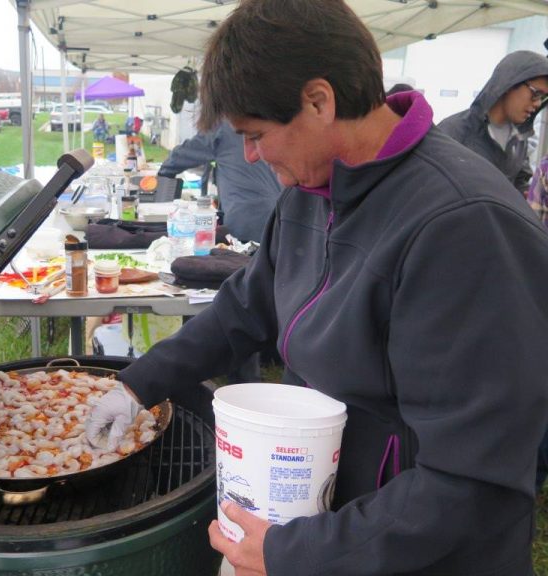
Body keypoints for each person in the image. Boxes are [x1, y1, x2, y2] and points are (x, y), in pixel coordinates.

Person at [85, 0, 548, 574]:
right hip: (329, 514)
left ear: (319, 101)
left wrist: (296, 554)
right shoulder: (310, 191)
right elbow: (246, 309)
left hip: (416, 553)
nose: (249, 156)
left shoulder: (463, 226)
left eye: (255, 135)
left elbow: (475, 483)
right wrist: (136, 385)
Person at [438, 50, 548, 193]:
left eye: (543, 98)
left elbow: (520, 181)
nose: (538, 103)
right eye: (536, 94)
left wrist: (529, 198)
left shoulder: (520, 137)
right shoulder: (452, 132)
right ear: (510, 83)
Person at [158, 120, 286, 243]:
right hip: (279, 215)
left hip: (243, 220)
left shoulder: (225, 124)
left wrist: (163, 173)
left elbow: (185, 154)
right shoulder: (270, 120)